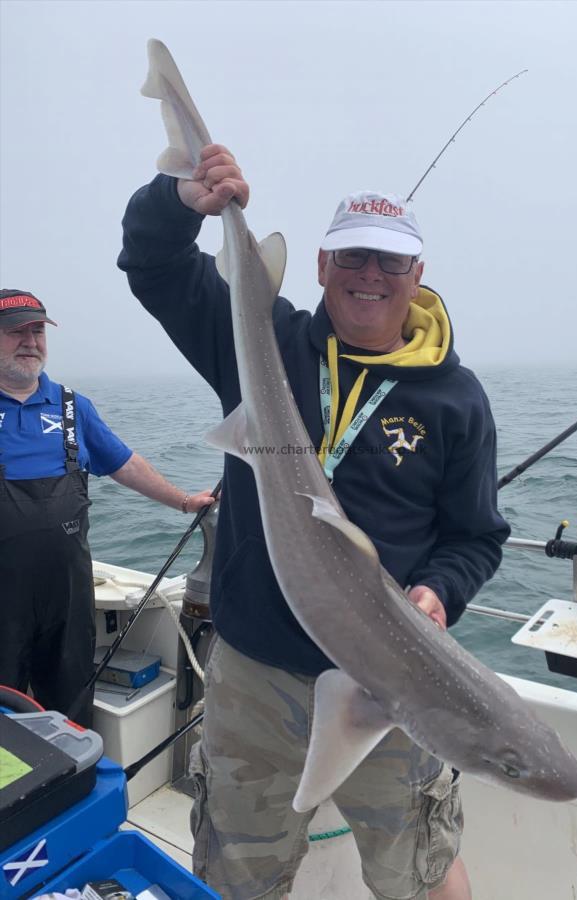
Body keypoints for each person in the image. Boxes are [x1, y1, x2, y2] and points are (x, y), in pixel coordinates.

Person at [118, 146, 510, 900]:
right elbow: (153, 265)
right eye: (354, 256)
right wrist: (179, 200)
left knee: (418, 862)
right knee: (238, 864)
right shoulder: (260, 335)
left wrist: (438, 591)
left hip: (396, 682)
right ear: (323, 263)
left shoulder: (456, 399)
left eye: (391, 262)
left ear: (417, 275)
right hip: (254, 677)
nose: (371, 275)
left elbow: (475, 536)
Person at [0, 288, 216, 726]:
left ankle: (71, 783)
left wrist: (183, 501)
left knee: (70, 697)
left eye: (37, 331)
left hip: (67, 593)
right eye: (15, 332)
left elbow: (124, 464)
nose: (30, 341)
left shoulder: (70, 406)